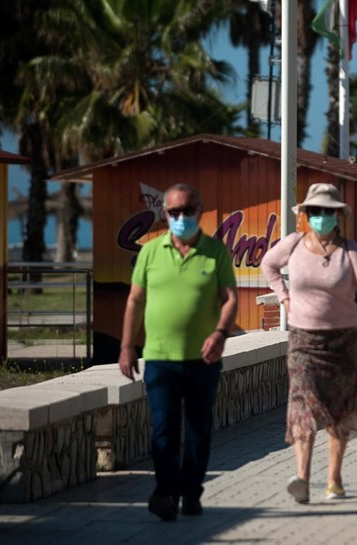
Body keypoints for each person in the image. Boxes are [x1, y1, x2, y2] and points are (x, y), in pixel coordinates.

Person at [261, 183, 357, 504]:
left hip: (343, 340)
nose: (320, 216)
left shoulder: (350, 251)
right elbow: (268, 265)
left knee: (339, 410)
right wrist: (284, 297)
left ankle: (334, 479)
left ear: (337, 215)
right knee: (302, 404)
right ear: (305, 215)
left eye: (326, 211)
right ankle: (302, 479)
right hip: (303, 340)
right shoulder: (293, 244)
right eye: (314, 211)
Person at [118, 183, 239, 521]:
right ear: (165, 214)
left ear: (200, 210)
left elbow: (230, 298)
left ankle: (191, 491)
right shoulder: (150, 252)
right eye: (174, 212)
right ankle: (165, 492)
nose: (181, 217)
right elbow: (135, 300)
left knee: (198, 431)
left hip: (203, 359)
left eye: (187, 210)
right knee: (163, 431)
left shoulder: (215, 251)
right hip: (159, 358)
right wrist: (127, 346)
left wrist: (220, 333)